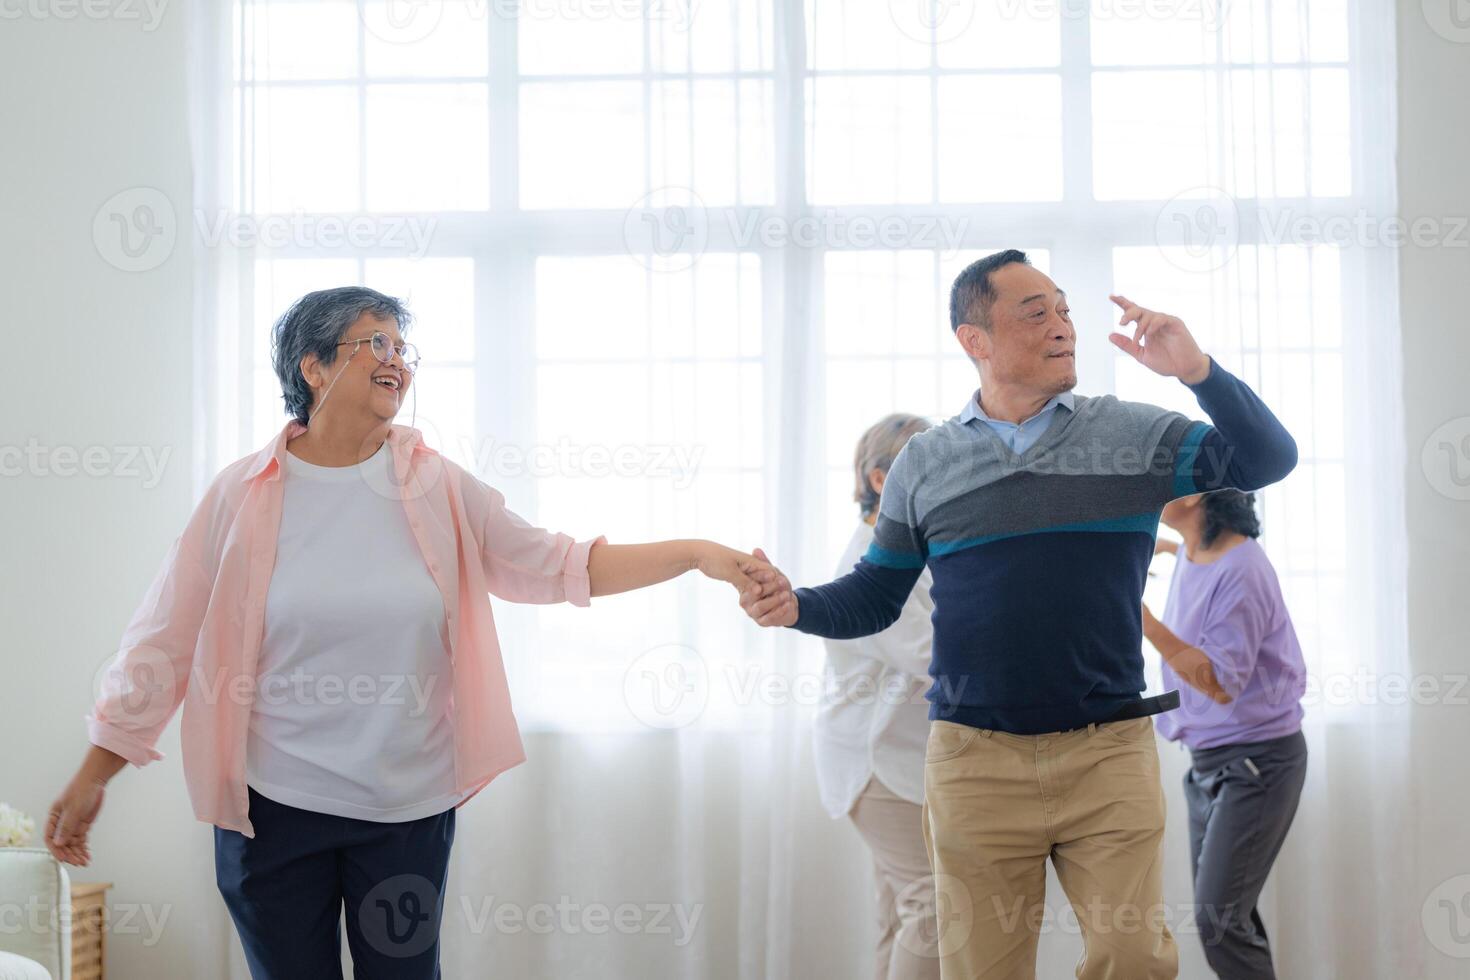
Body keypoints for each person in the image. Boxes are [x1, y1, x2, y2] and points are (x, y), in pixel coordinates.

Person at [45, 287, 775, 980]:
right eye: (374, 342)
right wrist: (92, 776)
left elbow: (559, 565)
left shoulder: (437, 486)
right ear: (314, 366)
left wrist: (698, 555)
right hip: (270, 811)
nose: (396, 358)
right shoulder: (241, 495)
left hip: (404, 815)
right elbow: (163, 639)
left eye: (402, 345)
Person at [741, 249, 1298, 979]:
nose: (1062, 324)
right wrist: (795, 605)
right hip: (975, 763)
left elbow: (1266, 458)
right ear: (976, 340)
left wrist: (1198, 371)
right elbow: (876, 595)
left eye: (1064, 308)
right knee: (982, 967)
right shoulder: (926, 464)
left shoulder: (1131, 436)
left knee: (1135, 956)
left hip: (1108, 754)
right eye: (1035, 312)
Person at [1143, 490, 1308, 979]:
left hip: (1256, 763)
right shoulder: (1197, 550)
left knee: (1219, 920)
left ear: (1194, 496)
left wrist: (1146, 624)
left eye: (1162, 481)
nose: (1152, 492)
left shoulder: (1242, 570)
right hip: (1210, 760)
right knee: (1228, 918)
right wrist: (1165, 552)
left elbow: (1219, 682)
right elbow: (1196, 567)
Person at [816, 414, 940, 980]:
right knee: (933, 907)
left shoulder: (904, 547)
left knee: (900, 911)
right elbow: (927, 654)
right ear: (878, 476)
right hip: (878, 758)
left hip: (892, 755)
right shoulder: (873, 556)